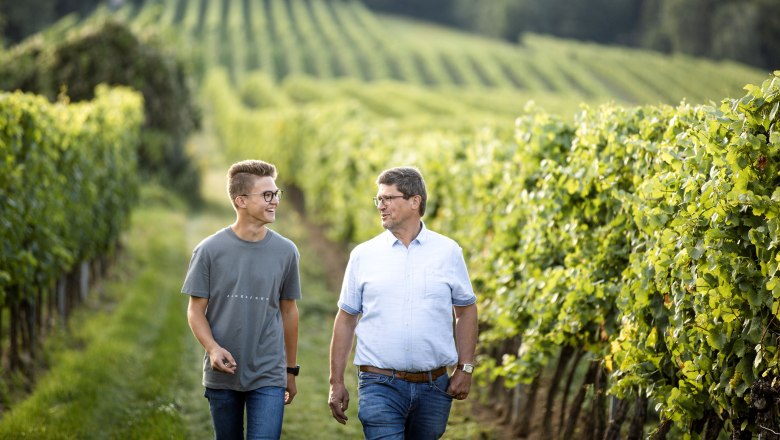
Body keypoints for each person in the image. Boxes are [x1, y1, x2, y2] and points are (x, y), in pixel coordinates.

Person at [328, 166, 478, 439]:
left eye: (388, 198)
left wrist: (465, 368)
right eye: (378, 199)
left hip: (434, 387)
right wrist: (336, 382)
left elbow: (466, 311)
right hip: (378, 383)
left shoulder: (448, 252)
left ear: (414, 201)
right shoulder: (363, 255)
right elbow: (346, 319)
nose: (380, 206)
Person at [182, 159, 301, 440]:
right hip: (222, 374)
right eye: (267, 195)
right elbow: (195, 311)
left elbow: (289, 312)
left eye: (276, 194)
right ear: (241, 201)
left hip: (269, 374)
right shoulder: (209, 250)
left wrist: (290, 371)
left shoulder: (286, 251)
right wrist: (212, 349)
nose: (275, 201)